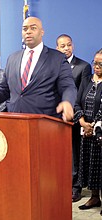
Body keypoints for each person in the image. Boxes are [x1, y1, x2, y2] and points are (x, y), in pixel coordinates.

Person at [0, 17, 77, 123]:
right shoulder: (13, 58)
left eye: (33, 28)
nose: (28, 32)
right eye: (25, 29)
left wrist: (67, 101)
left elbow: (68, 86)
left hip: (44, 124)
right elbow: (4, 88)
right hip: (15, 122)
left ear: (42, 32)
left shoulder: (57, 58)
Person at [56, 34, 92, 202]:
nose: (66, 48)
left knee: (73, 152)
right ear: (57, 48)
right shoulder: (53, 65)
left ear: (73, 46)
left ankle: (75, 187)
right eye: (62, 46)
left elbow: (81, 93)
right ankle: (60, 184)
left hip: (73, 116)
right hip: (55, 117)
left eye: (69, 45)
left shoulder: (83, 67)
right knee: (59, 153)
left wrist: (76, 114)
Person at [74, 48, 102, 215]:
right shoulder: (87, 80)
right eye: (95, 62)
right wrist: (83, 122)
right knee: (90, 165)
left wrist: (94, 125)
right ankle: (94, 197)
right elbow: (77, 103)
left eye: (100, 63)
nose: (96, 66)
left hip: (99, 132)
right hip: (86, 131)